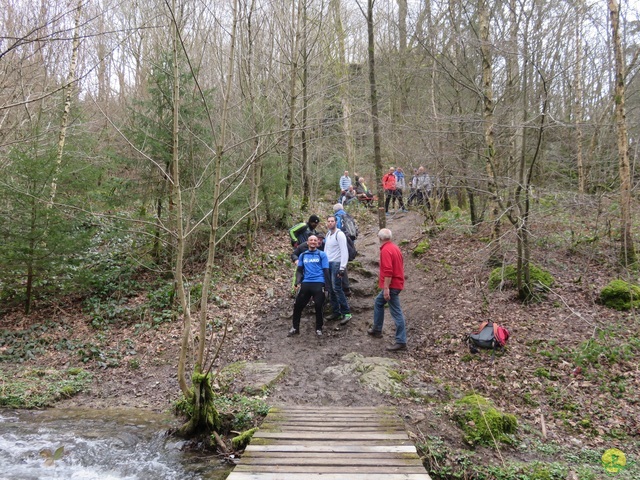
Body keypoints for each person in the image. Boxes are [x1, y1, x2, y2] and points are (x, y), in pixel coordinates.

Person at [367, 228, 407, 351]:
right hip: (397, 283)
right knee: (378, 302)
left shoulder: (386, 250)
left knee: (396, 312)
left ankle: (401, 341)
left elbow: (388, 271)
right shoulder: (395, 247)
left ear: (379, 238)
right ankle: (377, 329)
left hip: (392, 285)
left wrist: (386, 288)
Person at [288, 235, 331, 337]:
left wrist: (327, 287)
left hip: (318, 283)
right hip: (306, 283)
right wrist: (297, 282)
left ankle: (319, 328)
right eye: (311, 240)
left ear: (317, 243)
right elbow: (299, 270)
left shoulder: (322, 255)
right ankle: (295, 327)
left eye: (315, 240)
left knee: (319, 306)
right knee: (297, 305)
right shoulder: (303, 255)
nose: (313, 242)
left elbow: (326, 271)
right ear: (307, 242)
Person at [324, 215, 352, 325]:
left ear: (336, 222)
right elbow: (326, 250)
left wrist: (342, 268)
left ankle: (346, 313)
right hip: (329, 263)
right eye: (328, 221)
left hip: (337, 263)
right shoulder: (328, 234)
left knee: (337, 288)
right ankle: (336, 312)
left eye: (332, 221)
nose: (330, 223)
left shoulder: (339, 234)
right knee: (330, 289)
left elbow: (344, 251)